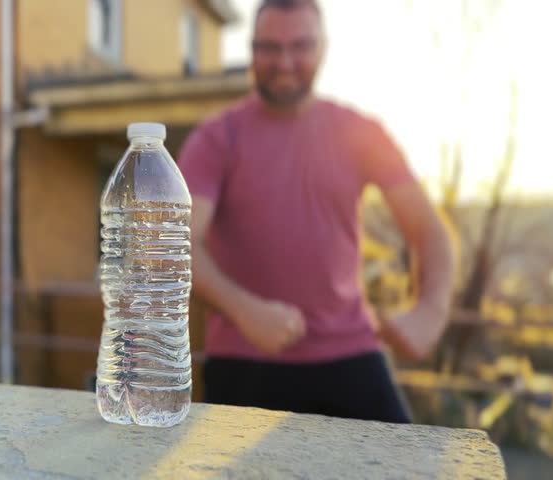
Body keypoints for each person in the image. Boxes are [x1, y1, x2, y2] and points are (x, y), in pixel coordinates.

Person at [178, 0, 455, 423]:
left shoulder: (361, 132)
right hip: (245, 358)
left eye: (301, 46)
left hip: (351, 353)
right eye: (269, 47)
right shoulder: (218, 138)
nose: (285, 62)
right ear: (251, 50)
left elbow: (429, 230)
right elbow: (178, 239)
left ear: (324, 48)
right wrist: (244, 310)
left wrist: (431, 309)